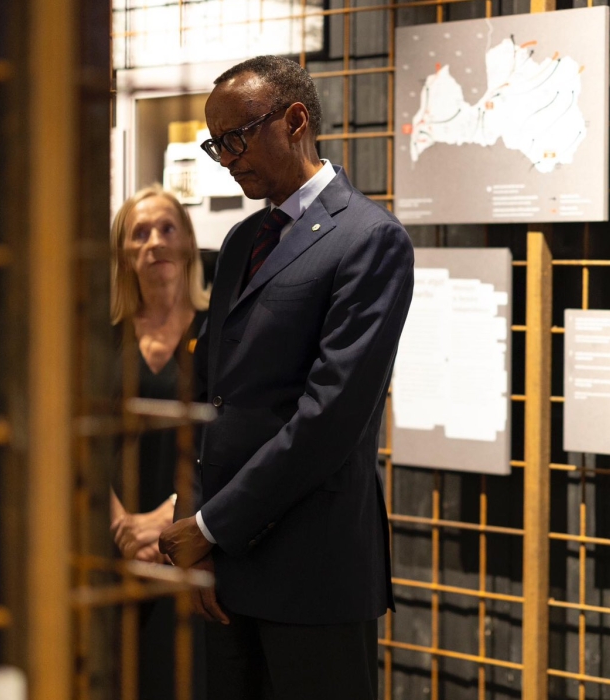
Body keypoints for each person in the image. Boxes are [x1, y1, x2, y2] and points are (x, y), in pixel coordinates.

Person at [159, 55, 415, 700]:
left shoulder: (370, 240)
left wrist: (213, 526)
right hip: (228, 562)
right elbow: (212, 398)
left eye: (236, 138)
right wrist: (204, 533)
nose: (228, 159)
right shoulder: (245, 239)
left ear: (295, 120)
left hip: (313, 571)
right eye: (216, 145)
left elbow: (329, 417)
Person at [109, 185, 209, 700]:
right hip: (112, 553)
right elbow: (80, 438)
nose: (155, 242)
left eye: (167, 228)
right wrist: (119, 523)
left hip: (192, 547)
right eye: (139, 233)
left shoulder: (219, 332)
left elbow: (229, 440)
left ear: (189, 243)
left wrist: (172, 518)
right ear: (123, 253)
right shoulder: (104, 337)